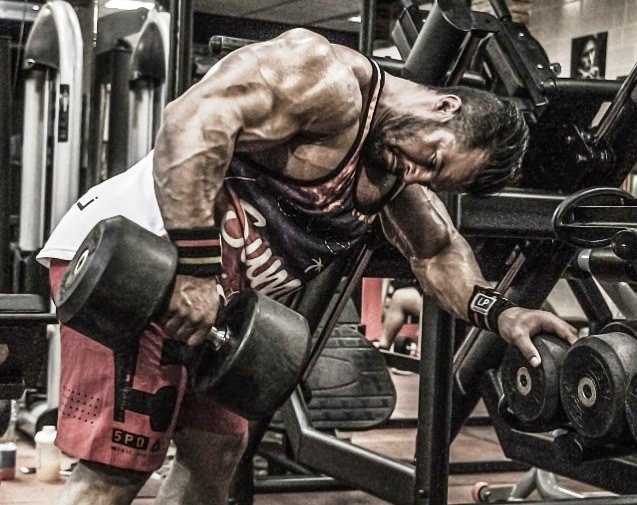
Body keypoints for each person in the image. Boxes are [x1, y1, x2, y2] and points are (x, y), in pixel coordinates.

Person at [37, 28, 578, 505]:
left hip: (208, 303)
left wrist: (501, 312)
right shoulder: (325, 78)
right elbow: (191, 122)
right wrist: (198, 271)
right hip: (138, 257)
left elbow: (436, 253)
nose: (416, 174)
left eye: (432, 178)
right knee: (116, 470)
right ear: (444, 108)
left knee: (216, 456)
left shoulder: (394, 171)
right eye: (430, 158)